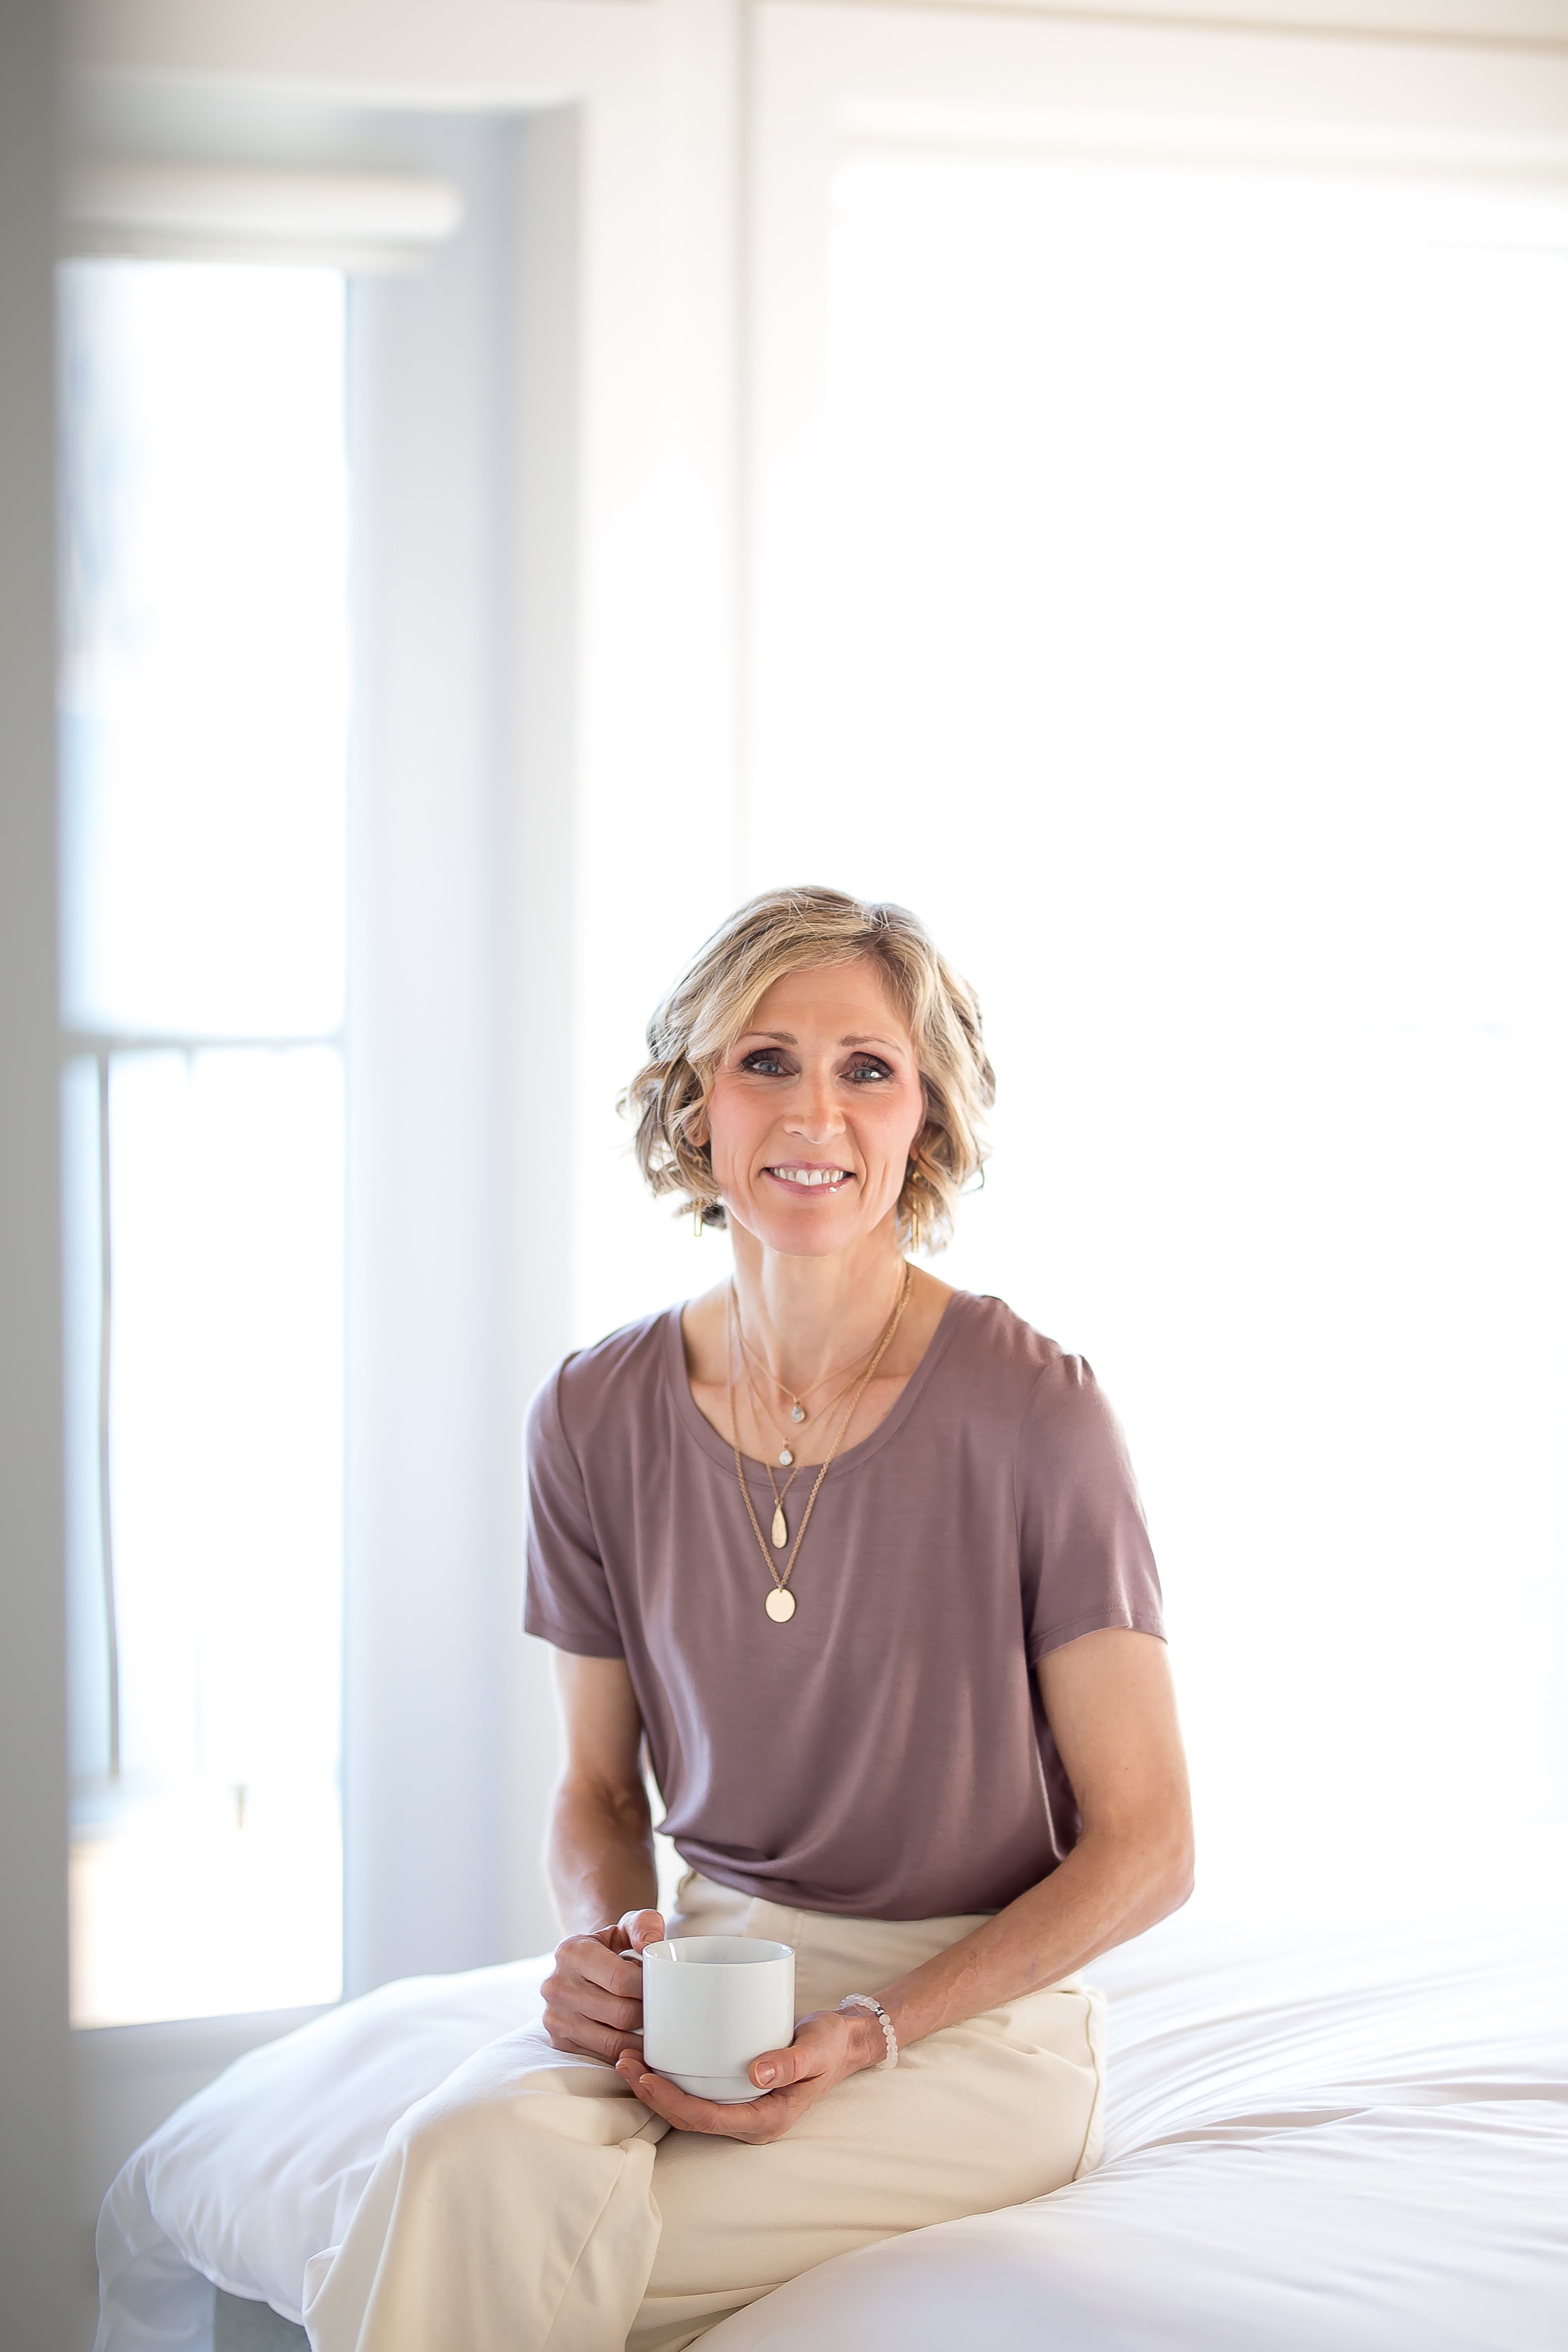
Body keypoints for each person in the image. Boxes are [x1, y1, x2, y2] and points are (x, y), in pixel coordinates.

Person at [303, 885, 1193, 2352]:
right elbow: (594, 1792)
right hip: (711, 1974)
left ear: (927, 1121)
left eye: (867, 1070)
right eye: (761, 1060)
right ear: (692, 1104)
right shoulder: (592, 1412)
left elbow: (1149, 1843)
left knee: (517, 2246)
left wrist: (876, 2030)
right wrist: (608, 1945)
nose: (812, 1114)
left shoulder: (1040, 1413)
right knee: (457, 2162)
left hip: (969, 2016)